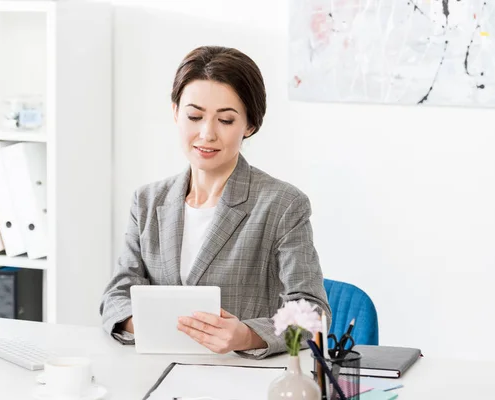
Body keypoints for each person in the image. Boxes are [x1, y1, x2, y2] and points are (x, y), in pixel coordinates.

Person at [100, 46, 331, 359]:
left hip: (240, 378)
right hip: (156, 371)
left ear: (249, 125)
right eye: (194, 116)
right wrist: (144, 324)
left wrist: (247, 335)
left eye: (225, 120)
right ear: (175, 112)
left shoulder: (283, 204)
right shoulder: (147, 201)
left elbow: (313, 314)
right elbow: (116, 295)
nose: (206, 134)